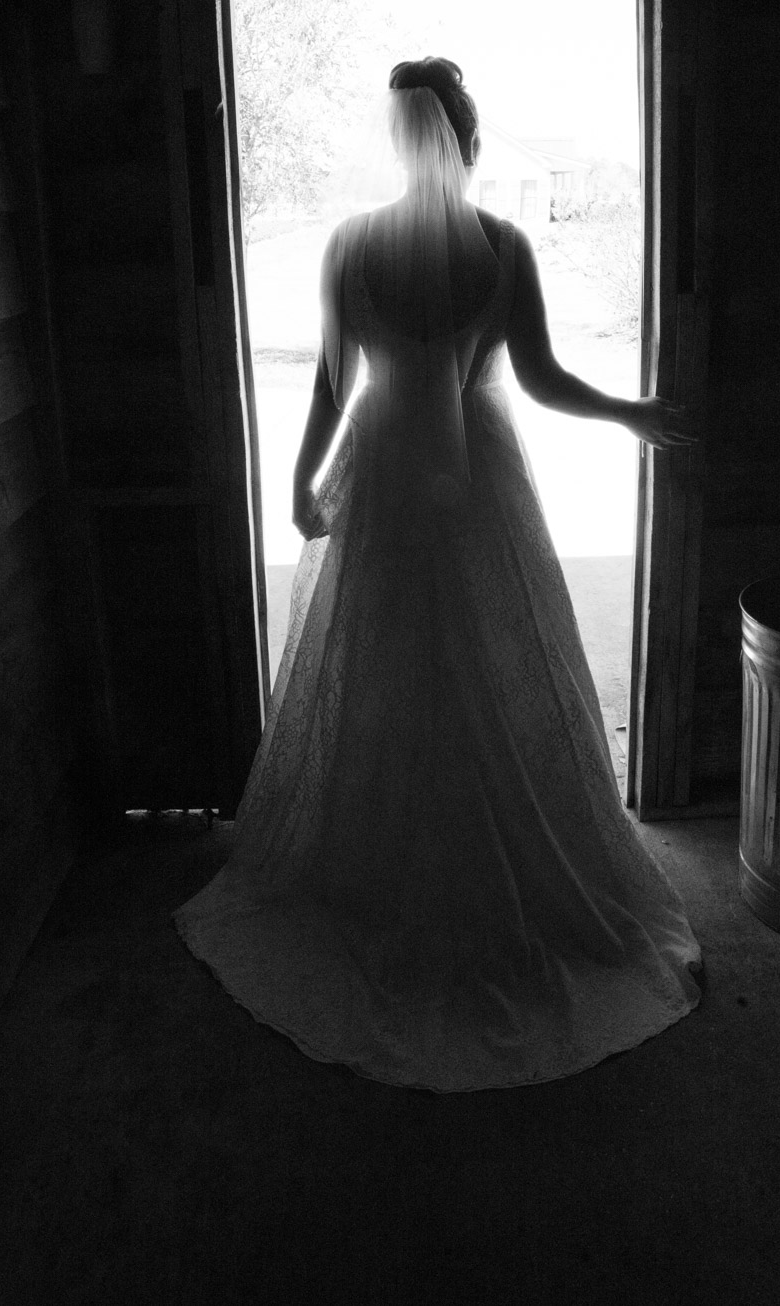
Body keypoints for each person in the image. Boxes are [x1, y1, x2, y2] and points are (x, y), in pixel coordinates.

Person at [175, 58, 701, 1091]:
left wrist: (301, 482)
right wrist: (632, 413)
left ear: (397, 137)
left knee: (381, 671)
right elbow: (541, 379)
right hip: (479, 492)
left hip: (381, 478)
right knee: (496, 670)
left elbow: (332, 385)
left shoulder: (352, 244)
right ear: (461, 137)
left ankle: (370, 873)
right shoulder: (500, 246)